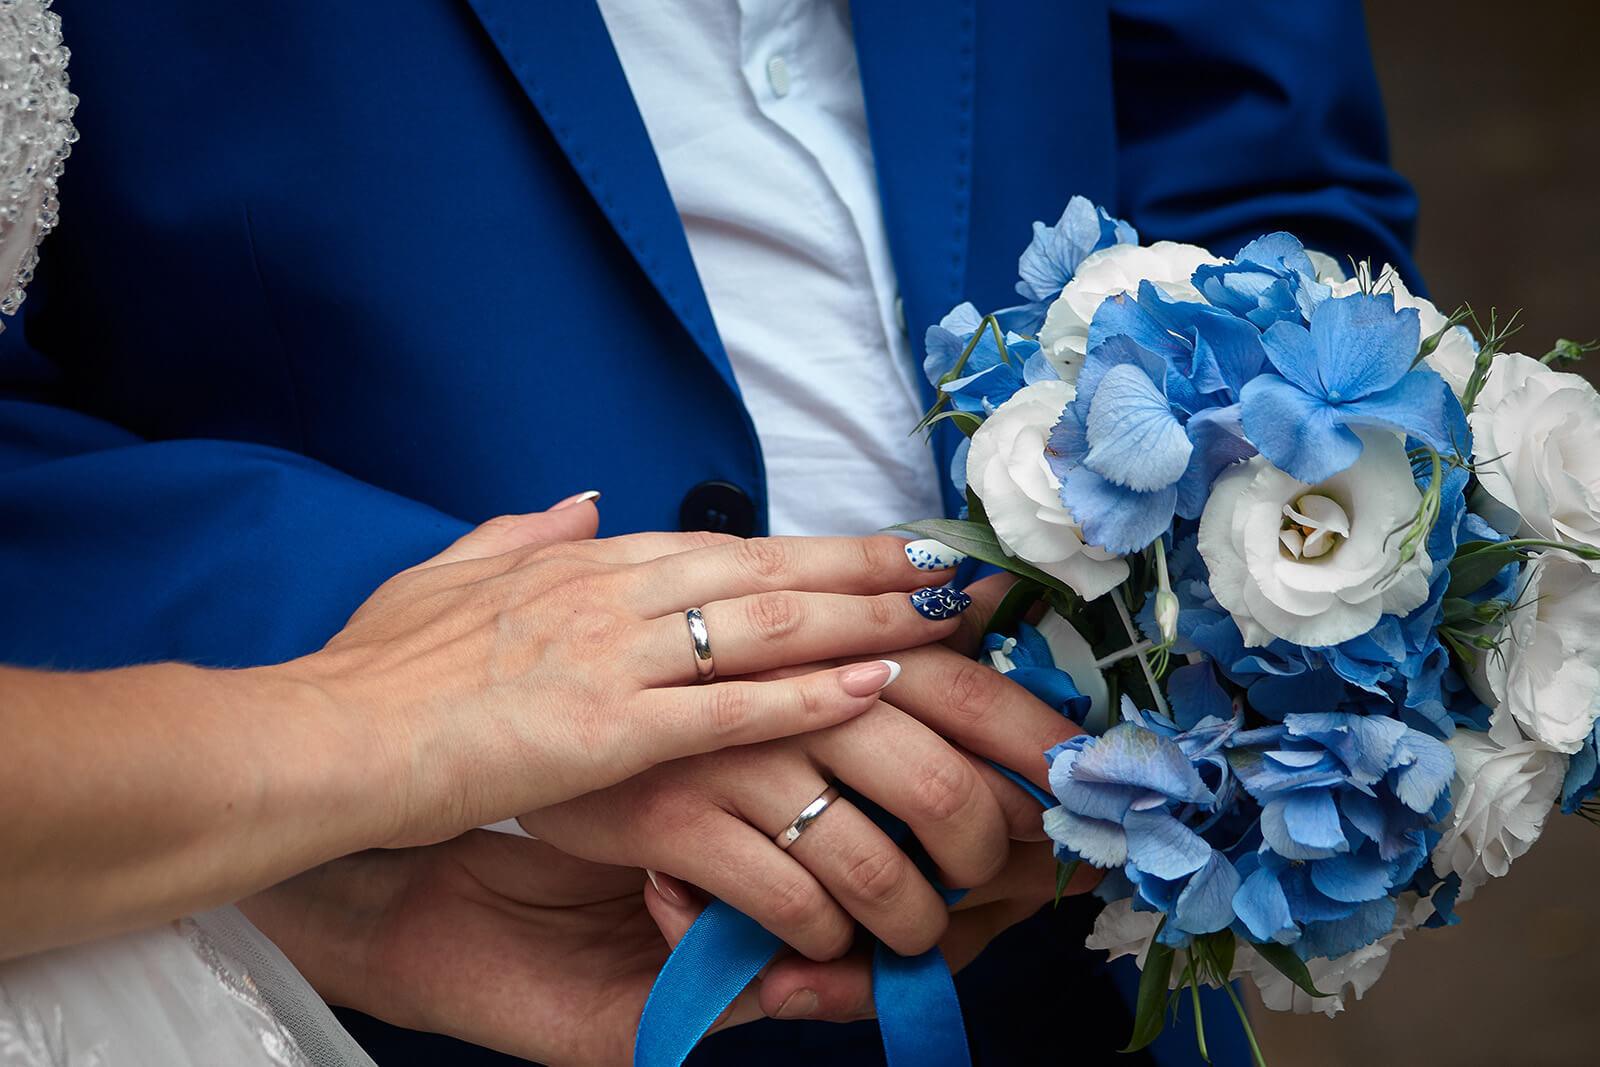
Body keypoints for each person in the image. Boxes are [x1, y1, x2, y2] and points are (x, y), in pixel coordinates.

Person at [0, 0, 1420, 1064]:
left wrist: (1158, 658)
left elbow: (1256, 172)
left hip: (1063, 922)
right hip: (391, 948)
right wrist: (421, 711)